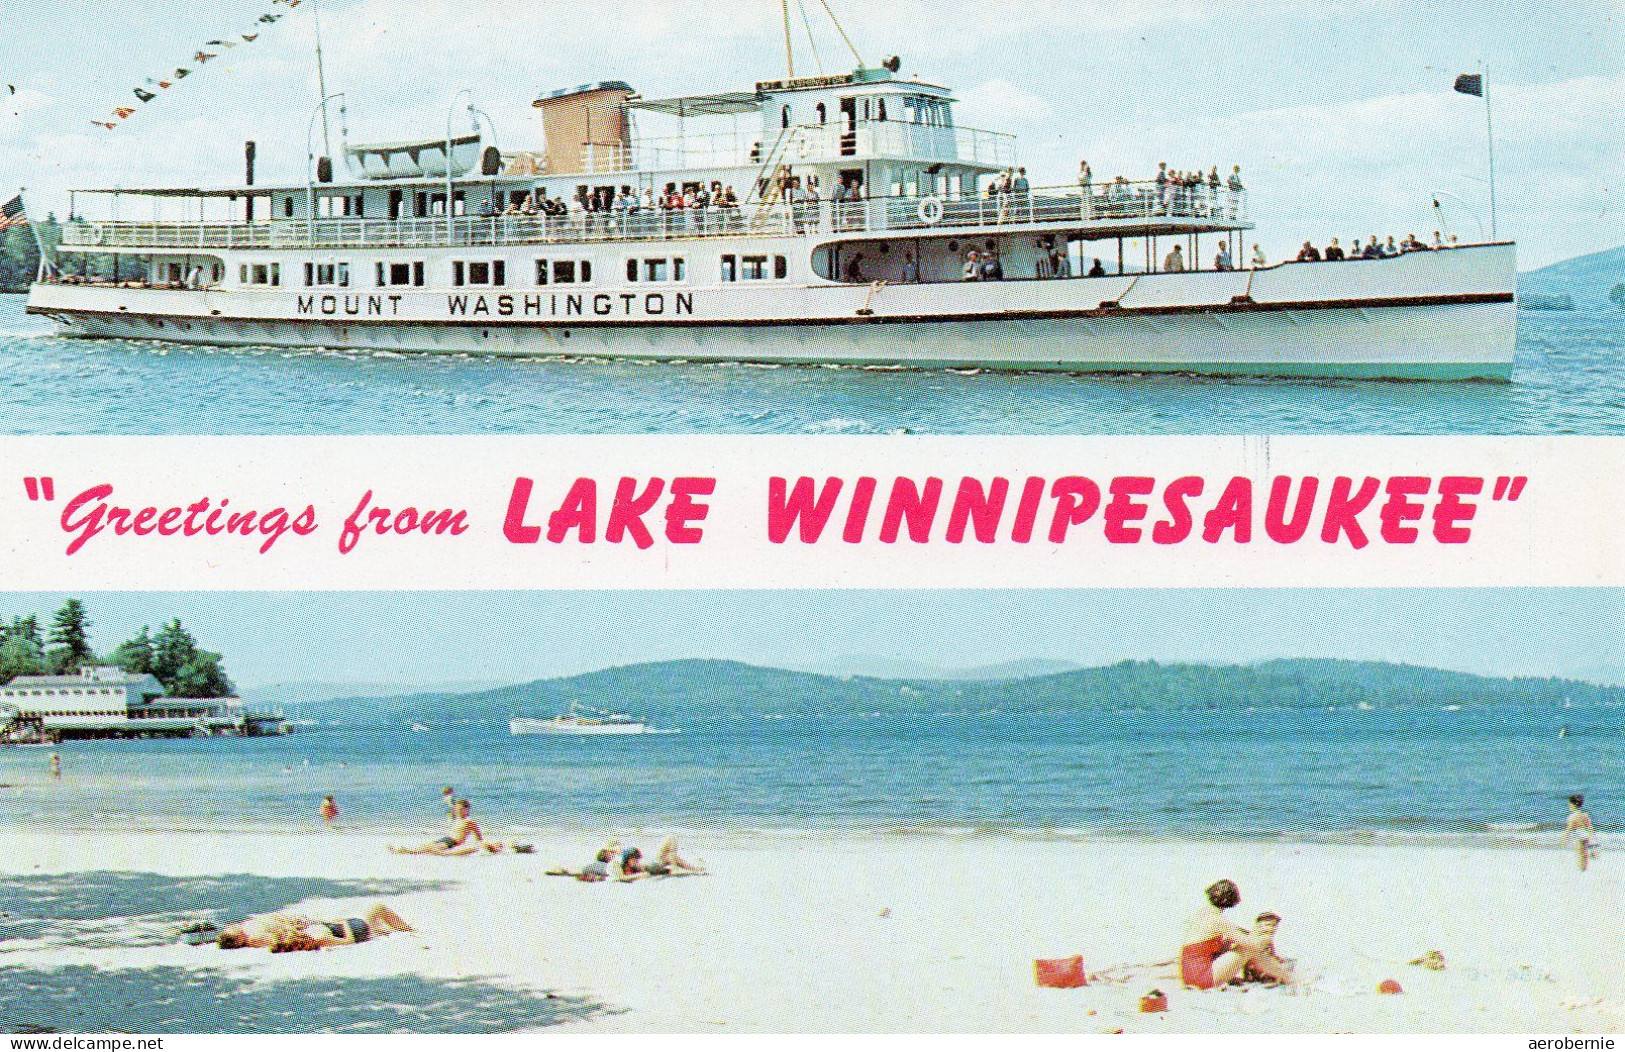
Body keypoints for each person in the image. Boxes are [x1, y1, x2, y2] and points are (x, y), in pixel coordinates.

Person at [1179, 879, 1294, 990]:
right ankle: (1289, 978)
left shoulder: (1202, 914)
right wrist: (1265, 937)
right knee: (1251, 949)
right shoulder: (1217, 921)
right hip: (1203, 979)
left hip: (1191, 977)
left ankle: (1275, 972)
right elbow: (1251, 944)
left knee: (1239, 946)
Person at [215, 903, 414, 952]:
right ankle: (409, 932)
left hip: (336, 928)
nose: (236, 927)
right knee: (378, 908)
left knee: (377, 922)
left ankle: (397, 930)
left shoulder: (246, 932)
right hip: (349, 930)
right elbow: (345, 940)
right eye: (235, 931)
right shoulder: (254, 937)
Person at [389, 799, 502, 855]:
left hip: (452, 842)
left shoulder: (470, 822)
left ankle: (404, 851)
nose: (456, 811)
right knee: (426, 845)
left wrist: (492, 846)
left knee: (429, 849)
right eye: (456, 809)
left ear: (466, 809)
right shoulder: (457, 820)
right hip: (446, 839)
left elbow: (479, 839)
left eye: (459, 809)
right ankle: (404, 850)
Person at [619, 837, 707, 880]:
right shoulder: (627, 868)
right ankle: (694, 869)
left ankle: (695, 869)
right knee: (672, 854)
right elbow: (624, 877)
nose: (636, 861)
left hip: (655, 863)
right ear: (627, 859)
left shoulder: (629, 865)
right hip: (656, 865)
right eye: (634, 859)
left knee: (671, 840)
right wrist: (643, 874)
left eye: (636, 859)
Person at [1564, 794, 1595, 872]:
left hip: (1578, 836)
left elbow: (1569, 829)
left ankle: (1581, 869)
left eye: (1570, 804)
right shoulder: (1585, 815)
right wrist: (1591, 837)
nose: (1569, 806)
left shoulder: (1572, 816)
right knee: (1584, 852)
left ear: (1574, 804)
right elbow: (1590, 827)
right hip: (1585, 835)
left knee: (1580, 853)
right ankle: (1584, 868)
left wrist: (1564, 838)